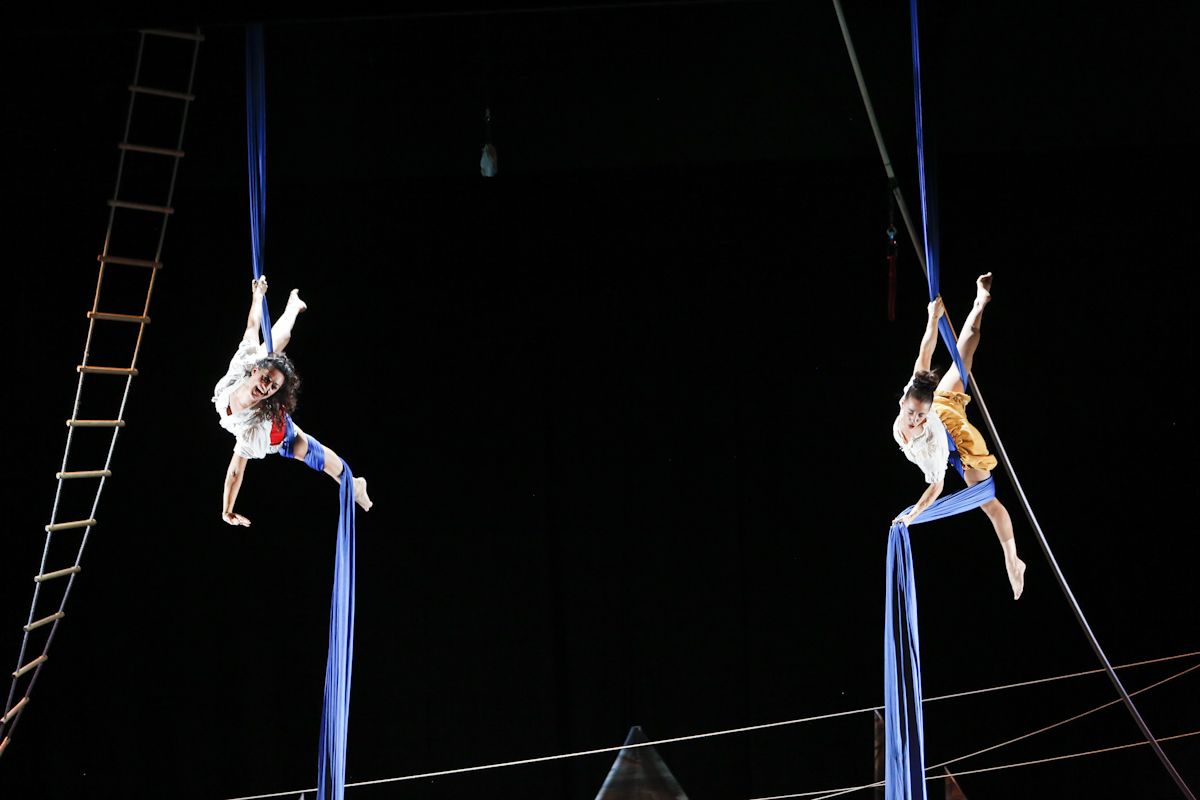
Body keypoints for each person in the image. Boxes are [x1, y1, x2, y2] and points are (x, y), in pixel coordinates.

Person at [892, 273, 1025, 600]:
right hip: (941, 405)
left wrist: (913, 516)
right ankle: (980, 302)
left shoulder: (932, 438)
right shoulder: (915, 394)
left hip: (956, 438)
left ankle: (1013, 558)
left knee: (989, 503)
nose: (914, 420)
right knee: (961, 352)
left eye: (919, 416)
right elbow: (925, 349)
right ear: (903, 401)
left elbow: (936, 486)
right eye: (911, 413)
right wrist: (931, 318)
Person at [213, 275, 372, 526]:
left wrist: (227, 509)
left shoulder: (254, 427)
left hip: (280, 432)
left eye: (273, 387)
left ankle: (354, 484)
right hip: (267, 415)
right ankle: (293, 308)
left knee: (318, 458)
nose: (265, 388)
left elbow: (235, 470)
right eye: (266, 379)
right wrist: (257, 297)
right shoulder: (242, 366)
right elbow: (253, 325)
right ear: (255, 371)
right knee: (271, 345)